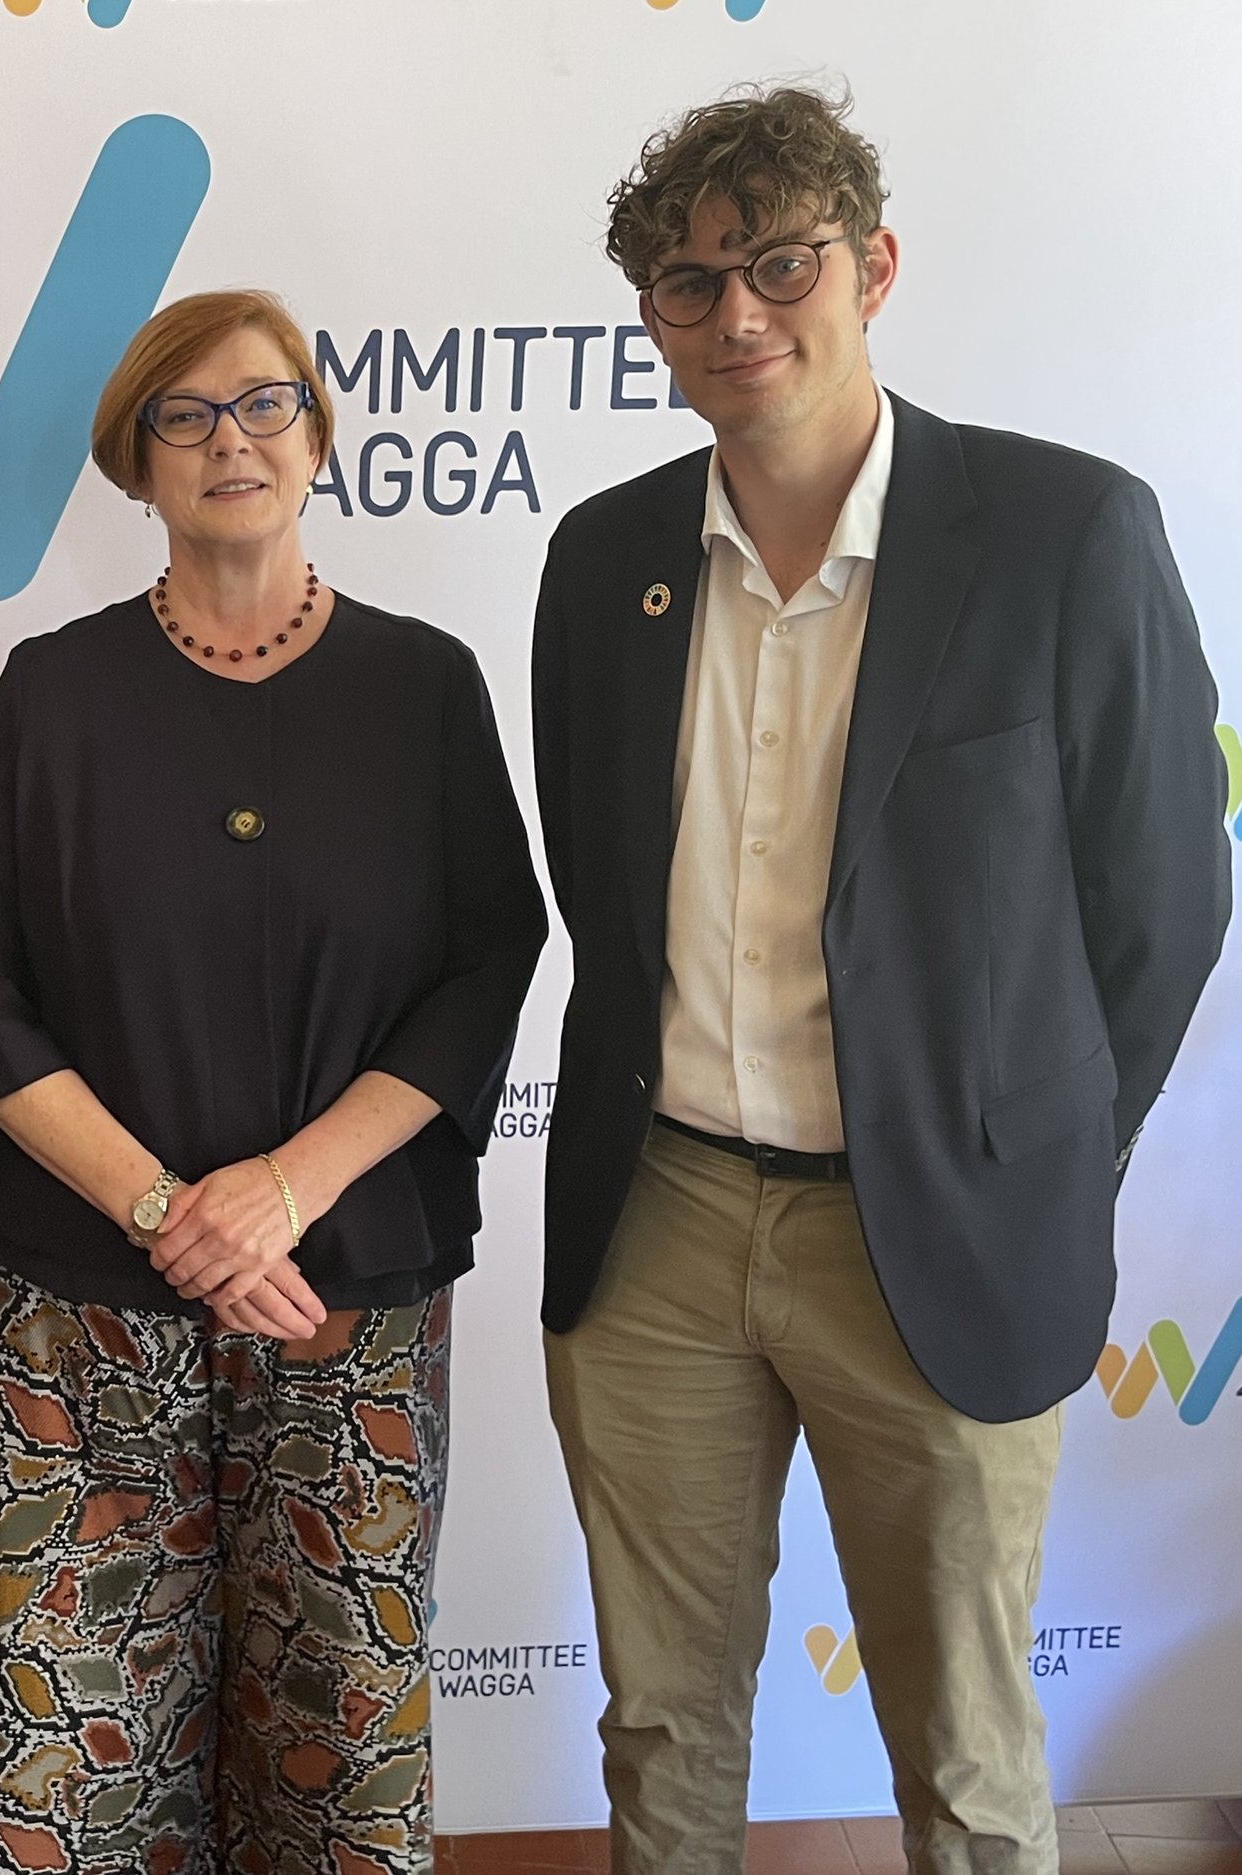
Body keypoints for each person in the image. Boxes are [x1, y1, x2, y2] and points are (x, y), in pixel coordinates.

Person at [530, 87, 1230, 1873]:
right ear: (652, 322)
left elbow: (1160, 896)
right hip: (662, 1221)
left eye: (784, 264)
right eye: (692, 286)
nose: (741, 315)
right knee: (663, 1724)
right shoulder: (602, 562)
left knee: (968, 1746)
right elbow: (596, 886)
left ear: (875, 267)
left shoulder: (1066, 533)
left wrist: (1027, 1151)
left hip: (935, 1230)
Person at [0, 289, 547, 1874]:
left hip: (346, 1290)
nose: (230, 441)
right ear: (136, 463)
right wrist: (158, 1207)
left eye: (264, 404)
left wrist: (287, 1189)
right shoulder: (54, 690)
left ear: (319, 435)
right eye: (184, 417)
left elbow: (490, 958)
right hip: (71, 1296)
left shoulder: (425, 685)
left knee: (343, 1694)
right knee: (70, 1717)